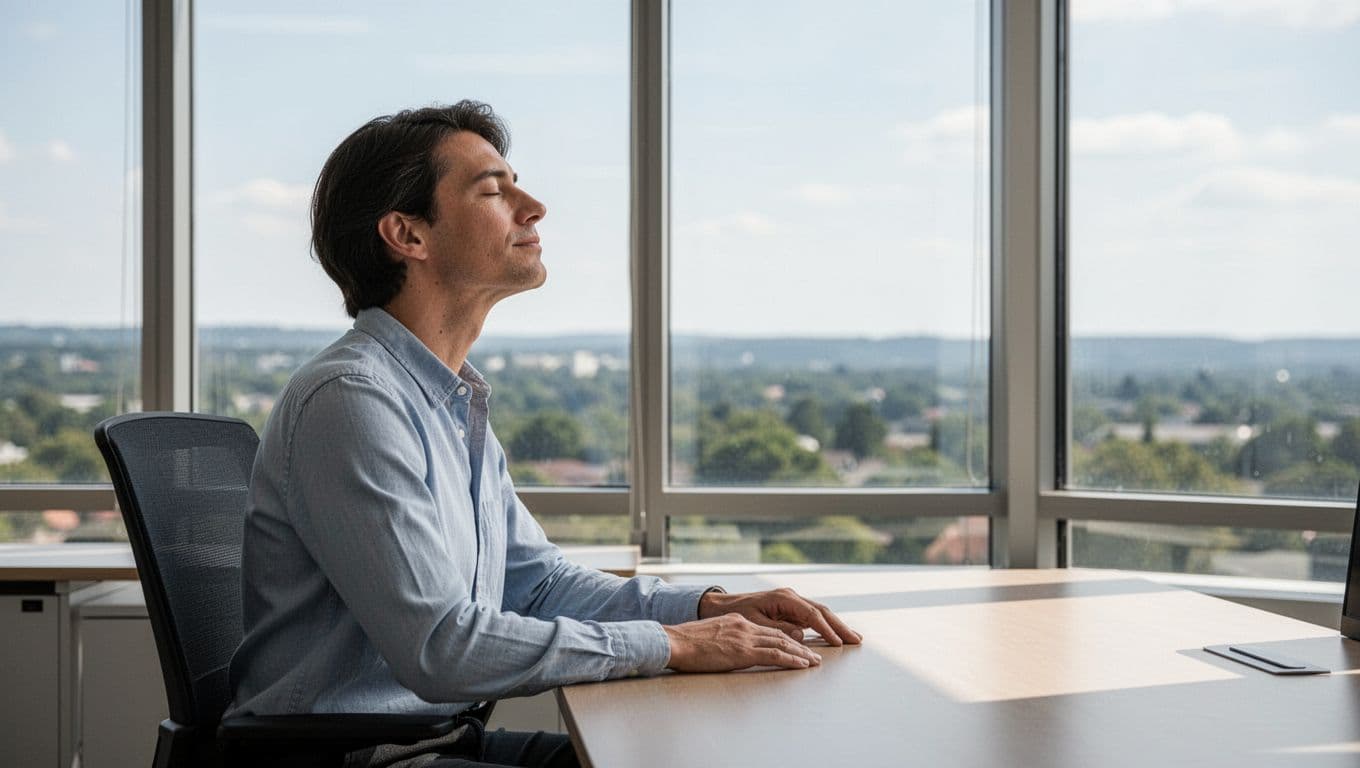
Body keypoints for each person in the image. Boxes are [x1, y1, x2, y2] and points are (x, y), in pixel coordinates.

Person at [227, 100, 862, 768]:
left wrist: (704, 607)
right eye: (493, 191)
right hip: (345, 757)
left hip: (431, 741)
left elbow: (537, 585)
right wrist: (673, 644)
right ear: (407, 234)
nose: (534, 208)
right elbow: (441, 648)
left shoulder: (447, 401)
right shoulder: (352, 401)